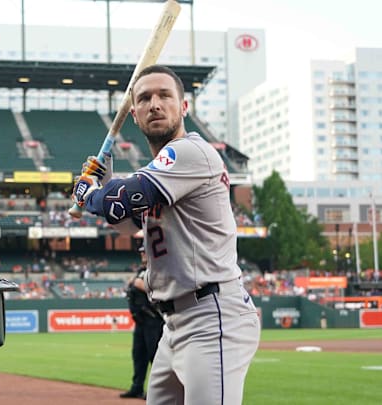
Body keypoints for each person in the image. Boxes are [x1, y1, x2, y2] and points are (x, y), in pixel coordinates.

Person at [72, 65, 260, 405]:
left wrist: (90, 194)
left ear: (184, 107)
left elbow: (117, 202)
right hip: (174, 323)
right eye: (144, 98)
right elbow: (128, 224)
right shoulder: (163, 171)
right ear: (134, 114)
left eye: (164, 96)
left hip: (212, 315)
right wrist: (105, 186)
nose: (155, 104)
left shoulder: (189, 151)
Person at [120, 247, 164, 400]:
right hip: (140, 321)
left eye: (144, 251)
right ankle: (136, 387)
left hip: (153, 319)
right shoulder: (141, 270)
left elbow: (158, 289)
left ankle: (158, 391)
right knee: (138, 355)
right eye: (140, 252)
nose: (142, 254)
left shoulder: (157, 268)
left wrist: (138, 283)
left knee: (155, 355)